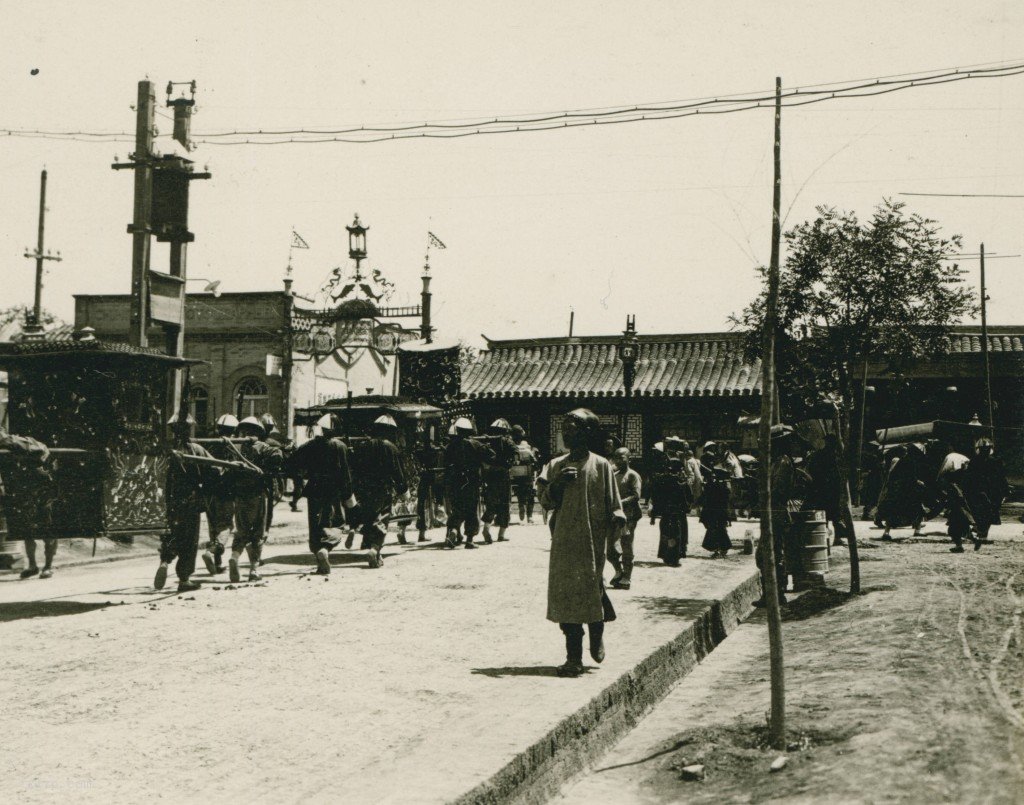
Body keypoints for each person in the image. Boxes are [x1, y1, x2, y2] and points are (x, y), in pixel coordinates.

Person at [538, 409, 625, 677]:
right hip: (563, 541)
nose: (566, 433)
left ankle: (597, 628)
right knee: (565, 596)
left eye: (573, 428)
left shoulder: (601, 466)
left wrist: (614, 544)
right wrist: (558, 485)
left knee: (591, 589)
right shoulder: (555, 465)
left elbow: (615, 509)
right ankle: (573, 658)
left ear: (587, 433)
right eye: (564, 428)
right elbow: (545, 500)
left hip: (592, 542)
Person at [282, 414, 360, 575]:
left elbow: (291, 463)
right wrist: (348, 494)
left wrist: (304, 474)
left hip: (314, 489)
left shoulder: (311, 445)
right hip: (334, 490)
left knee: (316, 524)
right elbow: (346, 473)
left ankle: (319, 555)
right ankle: (326, 547)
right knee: (336, 523)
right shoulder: (340, 446)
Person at [155, 414, 220, 592]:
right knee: (189, 540)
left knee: (171, 534)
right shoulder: (196, 449)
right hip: (191, 500)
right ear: (189, 429)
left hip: (169, 500)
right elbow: (213, 470)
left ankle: (164, 562)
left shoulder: (164, 449)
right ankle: (184, 579)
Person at [226, 416, 283, 583]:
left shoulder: (237, 448)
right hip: (258, 496)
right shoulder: (263, 447)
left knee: (241, 531)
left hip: (240, 496)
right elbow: (278, 456)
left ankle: (234, 557)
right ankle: (253, 570)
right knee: (258, 532)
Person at [349, 415, 408, 568]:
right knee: (382, 519)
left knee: (369, 517)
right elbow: (398, 472)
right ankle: (375, 548)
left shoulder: (362, 445)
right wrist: (403, 489)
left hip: (364, 489)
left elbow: (354, 469)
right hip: (383, 489)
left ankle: (371, 547)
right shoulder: (391, 447)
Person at [0, 429, 56, 579]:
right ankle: (32, 565)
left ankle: (48, 566)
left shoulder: (32, 447)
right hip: (26, 492)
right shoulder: (14, 449)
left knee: (48, 530)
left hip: (43, 492)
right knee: (27, 531)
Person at [753, 426, 799, 607]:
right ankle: (772, 593)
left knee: (772, 553)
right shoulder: (776, 462)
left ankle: (776, 594)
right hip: (772, 511)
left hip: (776, 511)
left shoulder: (782, 463)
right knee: (767, 554)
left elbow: (778, 490)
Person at [443, 417, 495, 549]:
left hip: (455, 481)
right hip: (471, 481)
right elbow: (491, 455)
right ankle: (469, 540)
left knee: (457, 508)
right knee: (471, 509)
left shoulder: (450, 446)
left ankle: (454, 531)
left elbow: (445, 462)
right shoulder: (475, 444)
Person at [201, 413, 239, 576]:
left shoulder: (209, 445)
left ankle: (217, 563)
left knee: (213, 526)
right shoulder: (233, 446)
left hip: (208, 491)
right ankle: (210, 552)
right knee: (226, 526)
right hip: (225, 492)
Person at [962, 437, 1008, 549]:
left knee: (980, 513)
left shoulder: (974, 461)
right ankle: (982, 535)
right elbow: (1002, 478)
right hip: (992, 492)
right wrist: (1005, 491)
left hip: (979, 491)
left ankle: (981, 534)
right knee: (989, 513)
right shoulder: (996, 461)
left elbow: (968, 478)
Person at [877, 444, 928, 539]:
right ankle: (917, 530)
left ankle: (886, 532)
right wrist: (918, 482)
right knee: (918, 509)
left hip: (898, 491)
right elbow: (911, 478)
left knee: (894, 512)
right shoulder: (910, 462)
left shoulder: (898, 462)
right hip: (908, 491)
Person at [608, 447, 642, 589]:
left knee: (626, 546)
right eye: (616, 457)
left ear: (629, 459)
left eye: (621, 457)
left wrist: (619, 502)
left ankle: (627, 577)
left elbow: (636, 496)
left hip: (629, 516)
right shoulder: (614, 475)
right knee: (610, 548)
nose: (618, 460)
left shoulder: (633, 475)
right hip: (615, 516)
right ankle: (618, 571)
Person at [651, 456, 692, 566]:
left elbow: (656, 498)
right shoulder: (682, 483)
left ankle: (666, 555)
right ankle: (675, 557)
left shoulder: (661, 481)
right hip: (679, 514)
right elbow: (690, 498)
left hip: (666, 513)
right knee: (678, 534)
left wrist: (654, 515)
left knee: (665, 533)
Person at [481, 418, 516, 544]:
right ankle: (501, 534)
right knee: (505, 503)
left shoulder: (487, 442)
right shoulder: (507, 441)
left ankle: (486, 528)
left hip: (490, 474)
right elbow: (515, 453)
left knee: (491, 503)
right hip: (503, 475)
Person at [805, 434, 844, 545]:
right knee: (835, 515)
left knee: (825, 515)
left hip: (822, 489)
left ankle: (827, 539)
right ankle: (835, 538)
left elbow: (811, 470)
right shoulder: (835, 456)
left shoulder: (818, 455)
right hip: (831, 489)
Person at [701, 467, 733, 557]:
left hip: (714, 512)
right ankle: (722, 549)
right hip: (721, 512)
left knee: (715, 530)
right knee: (720, 530)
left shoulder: (712, 485)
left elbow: (705, 497)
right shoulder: (723, 486)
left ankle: (718, 550)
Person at [510, 425, 539, 524]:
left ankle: (521, 505)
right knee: (530, 494)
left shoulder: (510, 444)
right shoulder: (526, 445)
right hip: (527, 473)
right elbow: (533, 460)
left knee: (519, 492)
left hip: (515, 474)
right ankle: (529, 516)